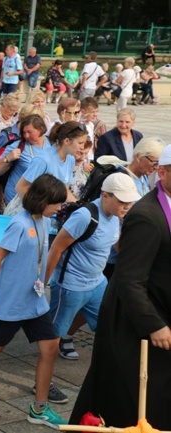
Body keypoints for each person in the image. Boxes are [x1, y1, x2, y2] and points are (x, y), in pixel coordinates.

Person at [0, 174, 69, 428]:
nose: (60, 207)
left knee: (49, 348)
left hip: (35, 300)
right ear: (42, 200)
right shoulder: (19, 224)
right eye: (56, 203)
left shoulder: (43, 220)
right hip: (13, 301)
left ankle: (39, 408)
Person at [69, 145, 171, 429]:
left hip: (160, 313)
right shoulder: (147, 216)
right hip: (139, 326)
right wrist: (154, 324)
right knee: (129, 402)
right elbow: (129, 278)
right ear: (161, 173)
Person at [47, 173, 139, 362]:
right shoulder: (85, 216)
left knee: (109, 326)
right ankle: (42, 381)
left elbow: (115, 245)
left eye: (130, 201)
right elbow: (56, 248)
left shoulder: (116, 215)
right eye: (123, 201)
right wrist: (41, 283)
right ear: (106, 196)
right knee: (51, 337)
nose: (127, 206)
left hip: (98, 283)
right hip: (71, 285)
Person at [15, 121, 85, 204]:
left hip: (50, 211)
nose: (82, 147)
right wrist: (38, 211)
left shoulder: (70, 159)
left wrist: (79, 205)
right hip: (29, 209)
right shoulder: (43, 160)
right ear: (66, 141)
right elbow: (20, 187)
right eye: (80, 143)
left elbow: (65, 191)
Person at [0, 113, 51, 206]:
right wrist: (7, 158)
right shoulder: (18, 146)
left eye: (30, 132)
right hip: (16, 198)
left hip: (41, 198)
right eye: (24, 132)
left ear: (40, 129)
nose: (26, 136)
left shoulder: (51, 144)